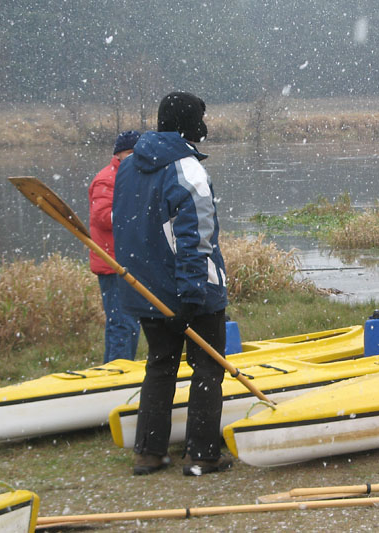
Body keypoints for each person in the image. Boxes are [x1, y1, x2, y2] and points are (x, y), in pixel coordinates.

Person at [112, 92, 231, 477]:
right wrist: (192, 296)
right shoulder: (187, 169)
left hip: (147, 291)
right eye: (201, 118)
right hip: (193, 293)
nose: (204, 126)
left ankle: (149, 453)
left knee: (160, 366)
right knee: (207, 368)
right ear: (188, 125)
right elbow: (197, 238)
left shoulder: (127, 168)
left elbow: (126, 232)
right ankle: (202, 455)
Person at [88, 130, 142, 364]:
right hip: (112, 264)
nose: (135, 157)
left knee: (130, 323)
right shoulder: (106, 179)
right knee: (122, 324)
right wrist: (137, 215)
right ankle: (118, 372)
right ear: (118, 154)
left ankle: (118, 369)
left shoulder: (134, 176)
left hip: (129, 262)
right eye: (130, 153)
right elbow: (102, 217)